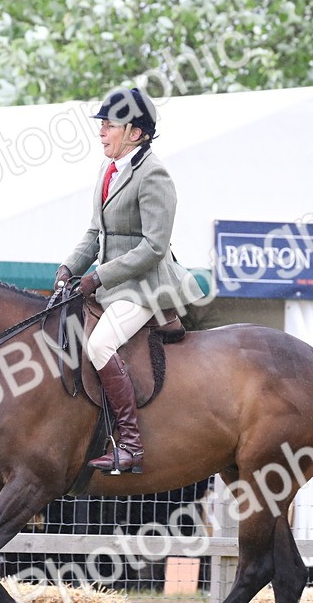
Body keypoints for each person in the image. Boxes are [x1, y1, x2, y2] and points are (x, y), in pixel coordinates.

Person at [56, 87, 205, 474]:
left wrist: (98, 277)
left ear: (135, 133)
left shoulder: (154, 175)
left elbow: (154, 247)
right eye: (102, 124)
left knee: (100, 344)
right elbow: (95, 234)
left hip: (146, 287)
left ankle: (131, 446)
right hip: (111, 285)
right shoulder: (109, 171)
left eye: (109, 125)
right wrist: (69, 268)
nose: (102, 132)